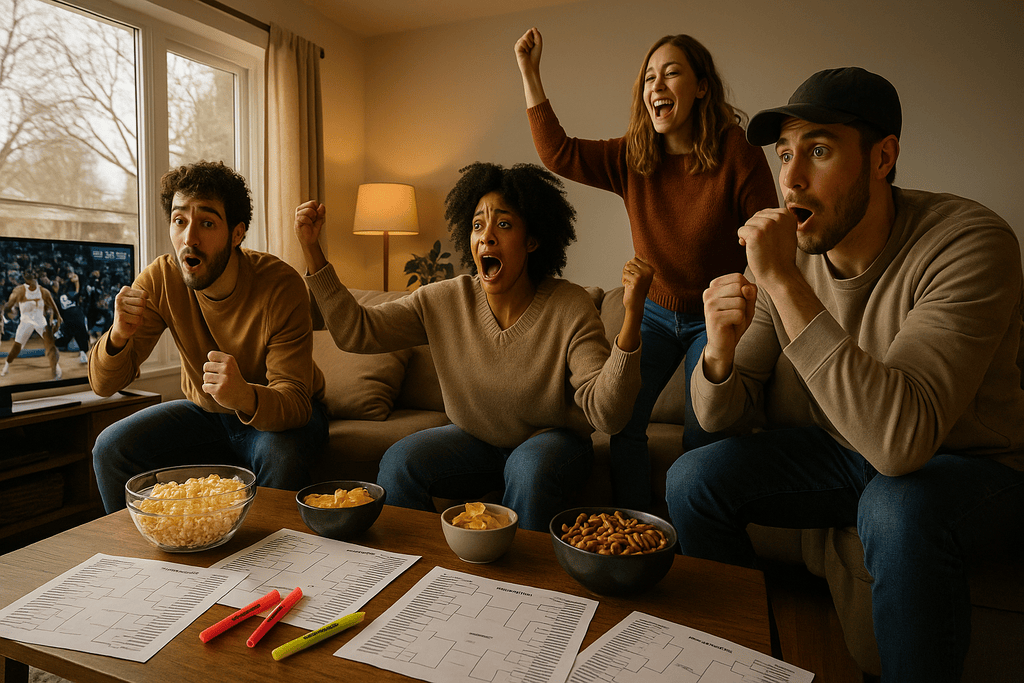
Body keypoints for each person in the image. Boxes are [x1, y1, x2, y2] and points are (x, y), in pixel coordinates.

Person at [666, 67, 1024, 681]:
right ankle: (742, 662)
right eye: (784, 154)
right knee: (692, 478)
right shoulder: (789, 255)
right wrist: (718, 354)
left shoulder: (969, 242)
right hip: (842, 450)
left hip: (970, 464)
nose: (791, 178)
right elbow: (718, 415)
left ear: (883, 157)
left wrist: (780, 281)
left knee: (895, 506)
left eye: (820, 150)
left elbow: (901, 443)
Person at [295, 162, 654, 532]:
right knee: (400, 460)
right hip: (476, 441)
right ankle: (420, 569)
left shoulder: (569, 306)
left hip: (552, 445)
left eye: (504, 224)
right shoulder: (444, 300)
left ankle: (519, 587)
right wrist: (313, 251)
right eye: (478, 225)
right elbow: (357, 332)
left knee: (527, 468)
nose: (487, 237)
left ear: (532, 240)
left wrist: (632, 315)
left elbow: (608, 415)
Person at [514, 28, 778, 511]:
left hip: (713, 318)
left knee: (705, 429)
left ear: (701, 87)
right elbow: (559, 153)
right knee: (622, 420)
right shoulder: (632, 157)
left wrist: (747, 289)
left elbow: (771, 233)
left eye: (671, 73)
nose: (656, 85)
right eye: (648, 78)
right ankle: (635, 529)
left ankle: (695, 541)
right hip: (655, 312)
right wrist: (530, 74)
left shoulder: (736, 151)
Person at [90, 160, 328, 513]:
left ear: (236, 234)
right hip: (208, 415)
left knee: (281, 454)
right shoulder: (161, 279)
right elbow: (104, 385)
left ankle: (270, 562)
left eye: (206, 223)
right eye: (179, 220)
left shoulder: (280, 285)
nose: (189, 238)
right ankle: (141, 557)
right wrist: (118, 335)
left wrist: (244, 394)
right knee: (111, 447)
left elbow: (295, 404)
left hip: (285, 418)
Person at [1, 269, 63, 379]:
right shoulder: (19, 291)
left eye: (33, 274)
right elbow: (8, 306)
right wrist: (8, 311)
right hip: (25, 321)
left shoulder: (44, 291)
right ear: (24, 278)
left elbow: (54, 307)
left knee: (50, 345)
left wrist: (58, 318)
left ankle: (56, 368)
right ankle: (6, 366)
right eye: (28, 274)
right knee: (17, 347)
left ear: (36, 276)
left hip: (40, 321)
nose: (31, 276)